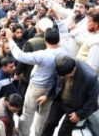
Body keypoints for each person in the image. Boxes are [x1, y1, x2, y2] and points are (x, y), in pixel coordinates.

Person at [5, 8, 70, 136]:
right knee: (43, 115)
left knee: (28, 113)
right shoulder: (65, 48)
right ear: (58, 39)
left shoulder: (42, 55)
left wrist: (10, 40)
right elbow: (64, 31)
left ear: (45, 40)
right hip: (51, 90)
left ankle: (23, 133)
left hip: (36, 88)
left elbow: (20, 56)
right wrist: (57, 16)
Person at [42, 56, 99, 136]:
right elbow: (54, 80)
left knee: (63, 133)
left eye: (65, 76)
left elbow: (92, 100)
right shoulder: (60, 63)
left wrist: (79, 114)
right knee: (49, 124)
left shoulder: (90, 77)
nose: (63, 77)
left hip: (75, 107)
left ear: (74, 69)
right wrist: (47, 95)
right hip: (60, 100)